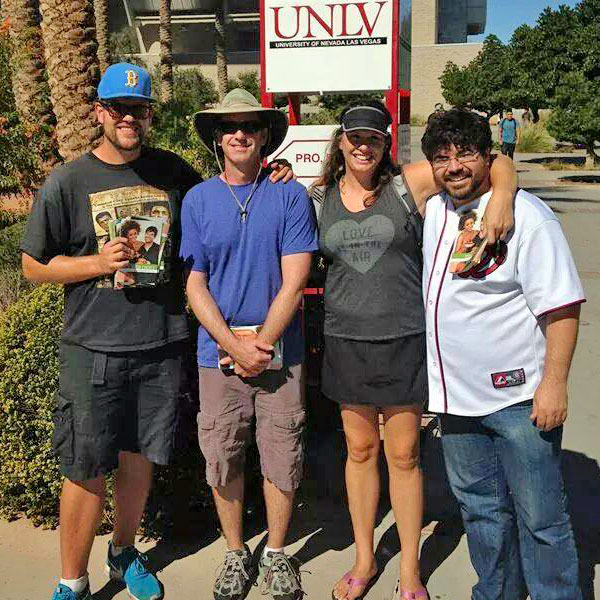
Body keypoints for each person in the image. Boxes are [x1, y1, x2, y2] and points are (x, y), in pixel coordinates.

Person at [20, 63, 293, 600]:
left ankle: (123, 553)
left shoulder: (174, 174)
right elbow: (33, 265)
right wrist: (96, 263)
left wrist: (271, 176)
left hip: (160, 344)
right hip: (92, 348)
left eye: (138, 110)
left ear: (149, 115)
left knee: (138, 460)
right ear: (99, 112)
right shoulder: (68, 180)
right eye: (118, 109)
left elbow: (227, 194)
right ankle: (71, 580)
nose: (128, 118)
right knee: (84, 467)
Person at [314, 100, 517, 600]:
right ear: (340, 142)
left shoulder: (407, 185)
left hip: (403, 341)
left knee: (403, 455)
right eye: (354, 137)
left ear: (386, 145)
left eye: (374, 138)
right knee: (359, 451)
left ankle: (409, 570)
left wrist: (502, 200)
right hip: (346, 342)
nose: (363, 146)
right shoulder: (317, 198)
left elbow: (492, 163)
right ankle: (364, 559)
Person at [421, 108, 585, 600]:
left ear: (488, 157)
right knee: (482, 515)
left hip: (518, 401)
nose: (453, 167)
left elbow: (561, 305)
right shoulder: (435, 209)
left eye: (466, 154)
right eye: (442, 157)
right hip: (456, 405)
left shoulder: (527, 216)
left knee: (541, 519)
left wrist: (554, 383)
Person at [180, 88, 318, 600]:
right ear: (218, 139)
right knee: (223, 454)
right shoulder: (198, 200)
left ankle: (277, 554)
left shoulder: (290, 196)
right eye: (230, 127)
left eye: (251, 126)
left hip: (281, 352)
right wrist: (233, 346)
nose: (240, 134)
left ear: (264, 137)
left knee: (282, 453)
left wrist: (260, 343)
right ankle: (237, 552)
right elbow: (194, 282)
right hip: (216, 356)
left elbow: (295, 277)